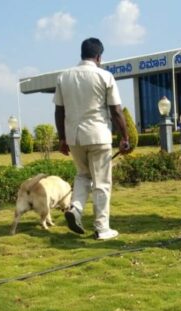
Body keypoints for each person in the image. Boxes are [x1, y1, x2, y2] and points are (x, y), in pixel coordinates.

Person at [54, 37, 131, 240]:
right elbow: (116, 110)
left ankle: (76, 209)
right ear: (98, 56)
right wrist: (125, 136)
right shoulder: (105, 76)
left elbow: (59, 111)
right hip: (98, 135)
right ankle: (102, 228)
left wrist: (62, 138)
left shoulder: (64, 77)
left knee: (82, 176)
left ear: (82, 54)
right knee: (101, 183)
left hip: (75, 137)